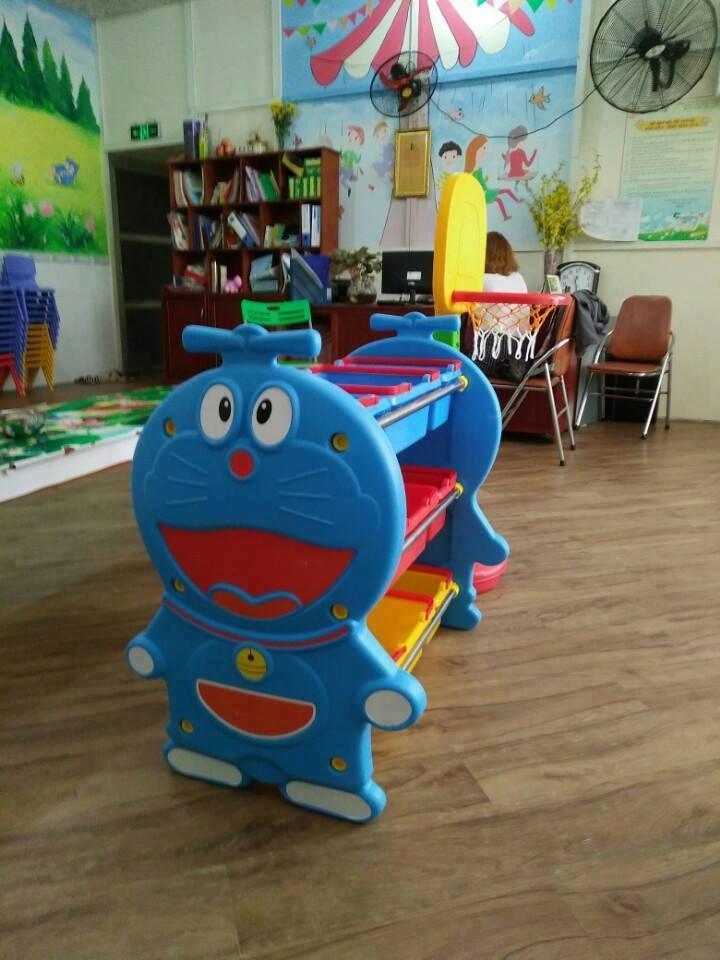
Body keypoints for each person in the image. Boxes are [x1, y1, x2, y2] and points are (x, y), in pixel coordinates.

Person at [465, 135, 521, 222]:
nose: (486, 151)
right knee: (504, 194)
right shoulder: (474, 172)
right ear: (476, 151)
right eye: (484, 148)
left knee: (500, 199)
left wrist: (486, 178)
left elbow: (481, 182)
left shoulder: (479, 169)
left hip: (486, 191)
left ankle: (507, 214)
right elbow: (476, 184)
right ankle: (516, 202)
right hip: (484, 193)